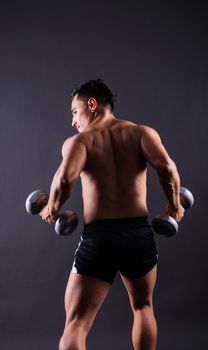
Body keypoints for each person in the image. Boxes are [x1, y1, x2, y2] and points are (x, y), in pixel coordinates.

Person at [39, 79, 185, 350]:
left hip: (100, 238)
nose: (73, 121)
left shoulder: (80, 142)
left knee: (76, 323)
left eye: (74, 111)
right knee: (143, 307)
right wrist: (174, 205)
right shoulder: (142, 133)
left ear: (92, 105)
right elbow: (167, 168)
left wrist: (52, 209)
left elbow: (63, 180)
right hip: (138, 236)